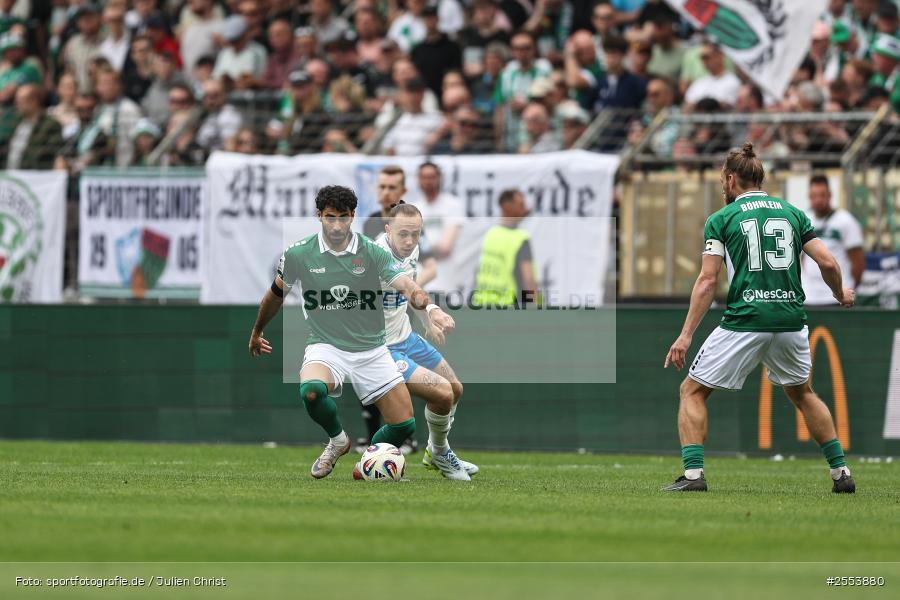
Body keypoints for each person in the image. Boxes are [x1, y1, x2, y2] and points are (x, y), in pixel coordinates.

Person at [663, 142, 857, 494]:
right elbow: (828, 263)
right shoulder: (793, 213)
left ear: (732, 178)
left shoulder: (721, 219)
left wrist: (686, 334)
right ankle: (841, 473)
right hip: (790, 320)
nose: (722, 184)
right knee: (803, 393)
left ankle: (693, 477)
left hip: (745, 320)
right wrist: (839, 293)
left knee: (691, 391)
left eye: (723, 179)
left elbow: (707, 281)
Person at [248, 185, 456, 480]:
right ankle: (337, 441)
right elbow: (274, 296)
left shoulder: (370, 251)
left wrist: (431, 309)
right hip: (326, 345)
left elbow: (407, 285)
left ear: (352, 216)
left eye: (343, 217)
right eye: (330, 217)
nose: (336, 225)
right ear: (318, 215)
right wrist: (257, 331)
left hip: (371, 349)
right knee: (311, 391)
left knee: (404, 425)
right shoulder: (298, 254)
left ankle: (370, 463)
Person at [363, 202, 477, 480]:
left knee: (455, 389)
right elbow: (409, 288)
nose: (410, 240)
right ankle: (434, 455)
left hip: (406, 337)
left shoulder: (411, 249)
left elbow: (409, 290)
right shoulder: (377, 254)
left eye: (416, 234)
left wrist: (425, 322)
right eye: (403, 234)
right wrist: (432, 310)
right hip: (381, 348)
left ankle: (436, 451)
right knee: (441, 393)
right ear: (388, 229)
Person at [800, 175, 865, 305]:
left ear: (830, 195)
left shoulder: (845, 221)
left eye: (822, 195)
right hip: (810, 296)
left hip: (837, 297)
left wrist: (847, 289)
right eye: (814, 195)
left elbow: (858, 262)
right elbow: (802, 257)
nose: (818, 200)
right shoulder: (804, 219)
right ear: (809, 197)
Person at [471, 188, 537, 307]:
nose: (525, 209)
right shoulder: (520, 238)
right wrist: (536, 310)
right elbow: (528, 279)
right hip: (508, 307)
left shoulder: (491, 234)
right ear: (507, 207)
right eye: (521, 205)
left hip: (482, 304)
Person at [0, 84, 64, 169]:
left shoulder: (50, 125)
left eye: (21, 101)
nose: (16, 104)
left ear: (34, 101)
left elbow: (51, 154)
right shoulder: (16, 123)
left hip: (32, 176)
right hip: (9, 175)